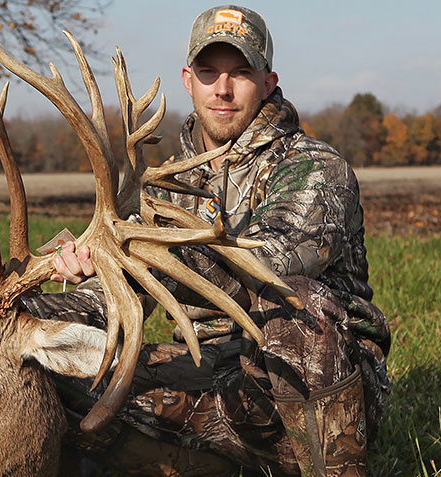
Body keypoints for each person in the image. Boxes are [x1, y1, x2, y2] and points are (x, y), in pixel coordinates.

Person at [21, 5, 390, 476]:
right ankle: (193, 462)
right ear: (187, 79)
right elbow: (112, 301)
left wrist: (133, 251)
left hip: (309, 385)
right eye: (209, 71)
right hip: (209, 375)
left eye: (241, 72)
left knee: (298, 306)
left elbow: (269, 264)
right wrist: (28, 303)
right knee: (35, 351)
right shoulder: (161, 186)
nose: (223, 88)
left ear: (269, 81)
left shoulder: (316, 169)